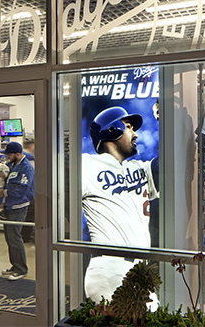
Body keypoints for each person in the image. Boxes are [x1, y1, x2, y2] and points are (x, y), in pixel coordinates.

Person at [82, 106, 158, 304]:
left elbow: (169, 162)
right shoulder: (87, 165)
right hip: (109, 267)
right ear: (113, 130)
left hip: (140, 269)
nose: (135, 134)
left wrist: (164, 118)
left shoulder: (139, 168)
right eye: (129, 127)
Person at [0, 141, 35, 281]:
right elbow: (8, 181)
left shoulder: (26, 167)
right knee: (10, 238)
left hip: (18, 207)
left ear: (17, 154)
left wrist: (3, 192)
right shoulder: (11, 165)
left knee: (15, 237)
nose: (7, 157)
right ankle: (15, 266)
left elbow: (22, 189)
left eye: (9, 155)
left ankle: (21, 269)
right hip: (9, 206)